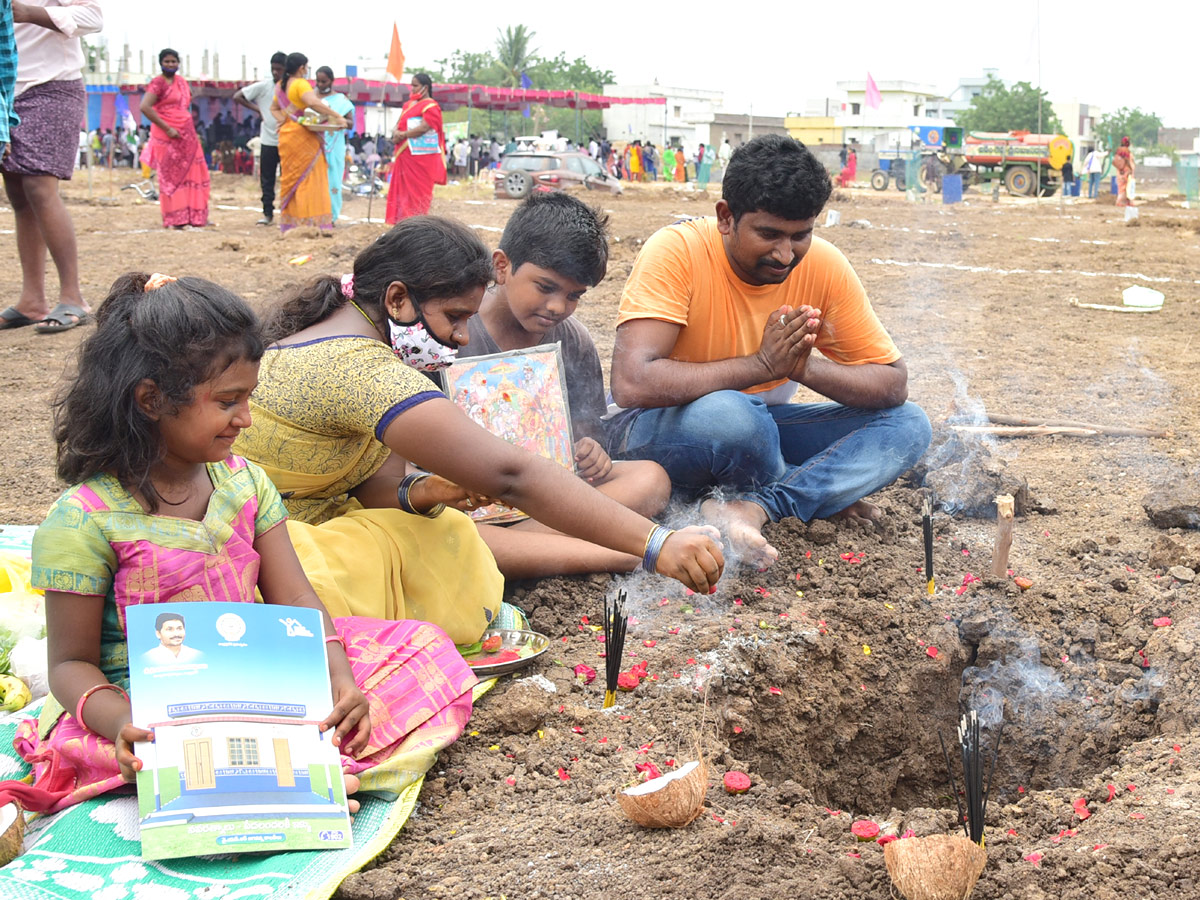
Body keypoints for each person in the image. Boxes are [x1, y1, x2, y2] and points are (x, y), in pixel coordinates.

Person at [0, 272, 481, 819]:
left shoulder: (245, 484)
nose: (245, 419)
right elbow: (70, 664)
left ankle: (283, 774)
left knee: (424, 651)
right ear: (151, 400)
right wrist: (121, 722)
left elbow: (297, 602)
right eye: (229, 401)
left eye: (248, 398)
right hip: (149, 705)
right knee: (170, 758)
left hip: (256, 676)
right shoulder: (85, 521)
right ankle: (289, 779)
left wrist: (337, 674)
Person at [232, 216, 724, 644]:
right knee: (447, 541)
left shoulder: (355, 342)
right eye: (453, 318)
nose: (462, 337)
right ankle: (608, 552)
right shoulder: (361, 369)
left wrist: (429, 490)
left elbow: (375, 488)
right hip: (277, 556)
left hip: (312, 527)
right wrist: (655, 543)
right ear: (398, 299)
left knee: (443, 525)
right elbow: (512, 475)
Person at [607, 135, 932, 567]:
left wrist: (803, 369)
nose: (785, 254)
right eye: (769, 234)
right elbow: (631, 383)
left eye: (802, 235)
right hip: (662, 431)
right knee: (736, 417)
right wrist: (760, 366)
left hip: (758, 434)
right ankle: (803, 491)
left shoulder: (824, 265)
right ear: (726, 217)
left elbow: (892, 384)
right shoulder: (677, 250)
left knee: (909, 424)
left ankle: (758, 507)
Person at [456, 192, 672, 578]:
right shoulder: (456, 331)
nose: (558, 306)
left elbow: (588, 437)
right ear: (502, 267)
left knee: (649, 479)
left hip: (545, 505)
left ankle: (524, 550)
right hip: (470, 508)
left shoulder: (573, 341)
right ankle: (615, 554)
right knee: (452, 535)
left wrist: (591, 452)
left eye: (574, 295)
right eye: (545, 287)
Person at [0, 0, 100, 334]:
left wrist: (28, 13)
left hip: (53, 85)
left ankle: (73, 296)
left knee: (39, 186)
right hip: (6, 89)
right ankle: (32, 301)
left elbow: (92, 17)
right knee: (16, 191)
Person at [271, 51, 347, 232]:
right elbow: (313, 103)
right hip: (302, 137)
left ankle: (292, 222)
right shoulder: (299, 84)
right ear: (301, 68)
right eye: (306, 67)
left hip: (287, 135)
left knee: (292, 179)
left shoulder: (281, 85)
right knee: (310, 178)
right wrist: (337, 116)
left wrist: (284, 119)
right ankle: (310, 222)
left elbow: (273, 108)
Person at [140, 49, 210, 228]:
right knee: (171, 176)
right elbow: (145, 107)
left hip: (186, 134)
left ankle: (195, 216)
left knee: (194, 172)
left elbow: (184, 106)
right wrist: (168, 128)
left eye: (173, 61)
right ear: (161, 63)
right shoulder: (158, 83)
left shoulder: (182, 83)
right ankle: (175, 219)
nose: (171, 65)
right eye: (167, 61)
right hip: (166, 135)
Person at [232, 51, 286, 226]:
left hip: (288, 141)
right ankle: (268, 214)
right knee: (267, 179)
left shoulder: (291, 88)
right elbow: (238, 96)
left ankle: (287, 214)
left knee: (287, 180)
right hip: (268, 140)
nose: (276, 72)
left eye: (279, 69)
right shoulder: (263, 87)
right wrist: (258, 110)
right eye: (273, 69)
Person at [385, 73, 445, 224]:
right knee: (402, 191)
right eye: (411, 85)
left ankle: (415, 223)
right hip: (404, 155)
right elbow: (399, 124)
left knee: (417, 193)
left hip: (421, 159)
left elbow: (425, 127)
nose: (412, 89)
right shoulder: (409, 105)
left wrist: (403, 134)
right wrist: (396, 134)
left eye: (415, 85)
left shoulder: (431, 106)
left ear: (425, 88)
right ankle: (401, 223)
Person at [314, 65, 354, 223]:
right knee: (314, 179)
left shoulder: (341, 100)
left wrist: (339, 120)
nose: (320, 85)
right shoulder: (310, 98)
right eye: (318, 81)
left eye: (324, 81)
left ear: (331, 81)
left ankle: (331, 216)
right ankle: (314, 213)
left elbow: (350, 123)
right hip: (314, 142)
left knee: (333, 180)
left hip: (334, 144)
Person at [1113, 136, 1134, 207]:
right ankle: (1120, 202)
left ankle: (1123, 202)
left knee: (1121, 187)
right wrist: (1130, 169)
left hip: (1119, 170)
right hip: (1125, 170)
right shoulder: (1126, 151)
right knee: (1125, 187)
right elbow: (1127, 160)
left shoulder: (1118, 150)